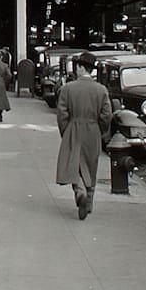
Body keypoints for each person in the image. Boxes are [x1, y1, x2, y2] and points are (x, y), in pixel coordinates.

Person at [56, 51, 113, 221]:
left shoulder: (68, 88)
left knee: (74, 165)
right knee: (91, 165)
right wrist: (100, 130)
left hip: (73, 127)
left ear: (81, 68)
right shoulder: (101, 90)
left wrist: (65, 131)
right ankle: (89, 201)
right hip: (93, 130)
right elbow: (106, 115)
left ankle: (79, 191)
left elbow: (62, 114)